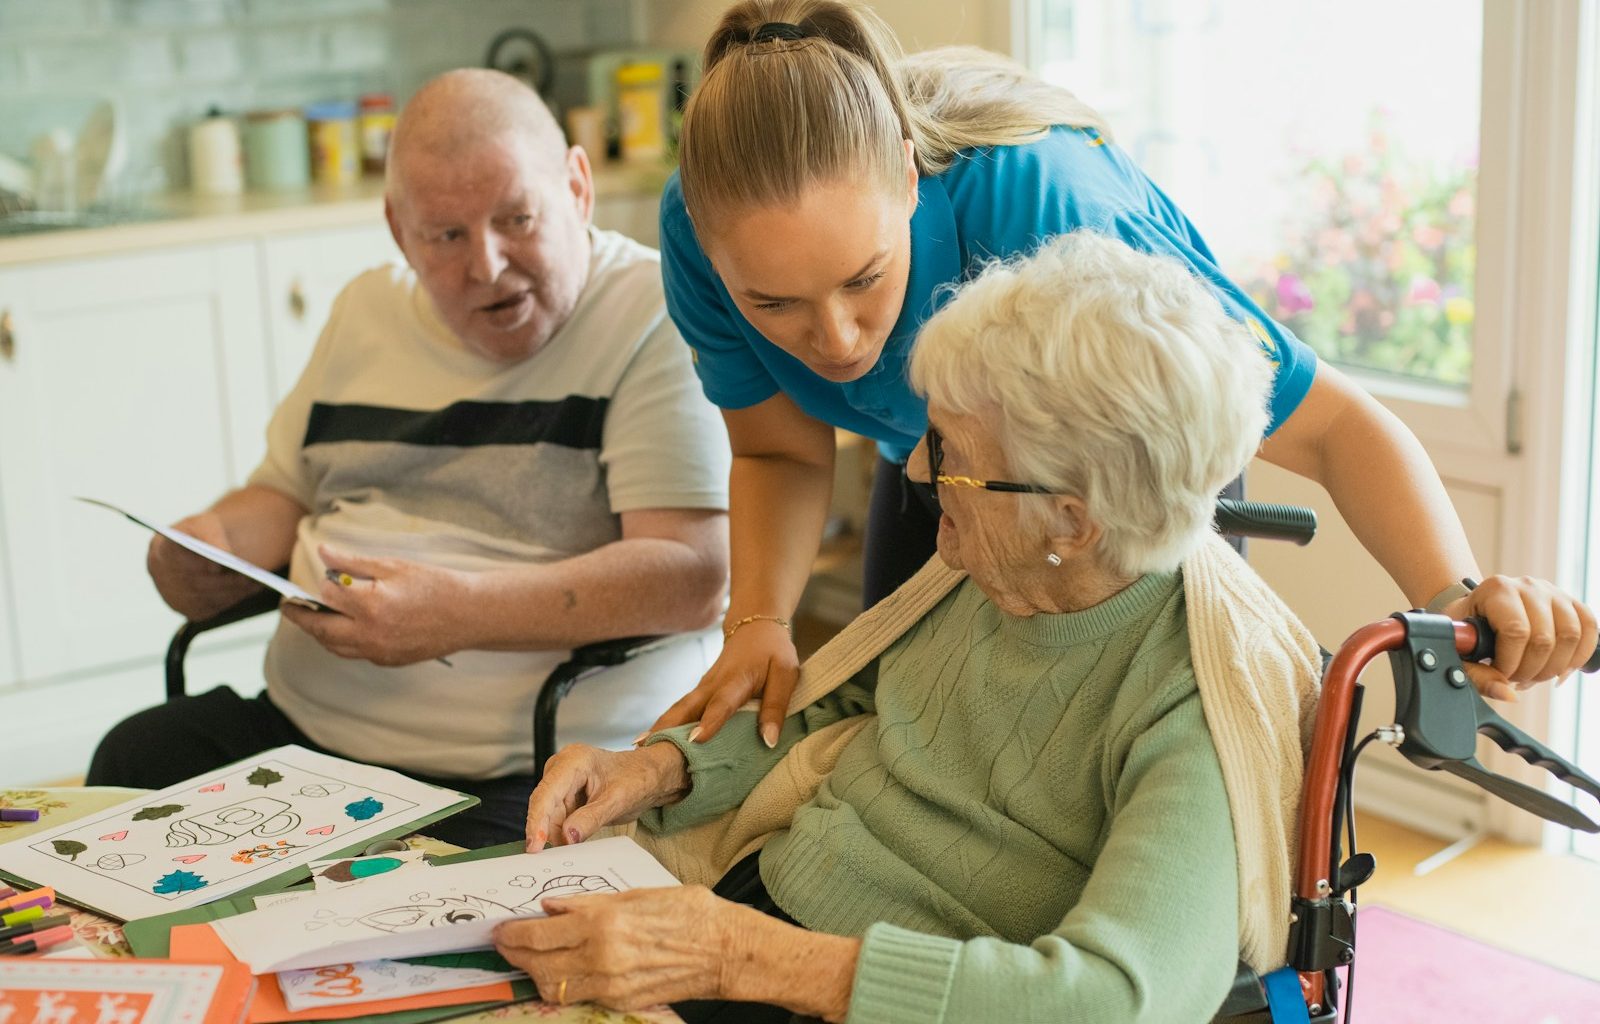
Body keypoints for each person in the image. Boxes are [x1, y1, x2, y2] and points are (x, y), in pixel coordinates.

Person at [648, 0, 1599, 749]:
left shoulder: (1059, 222)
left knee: (1144, 746)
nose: (838, 339)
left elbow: (1336, 427)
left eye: (865, 279)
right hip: (941, 456)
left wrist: (1452, 603)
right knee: (904, 720)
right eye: (774, 306)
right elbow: (778, 452)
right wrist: (759, 621)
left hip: (1136, 446)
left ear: (906, 178)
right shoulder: (699, 230)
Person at [493, 232, 1327, 1023]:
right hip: (755, 922)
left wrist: (739, 956)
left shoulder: (1199, 704)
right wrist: (664, 769)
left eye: (952, 450)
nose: (921, 472)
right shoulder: (1000, 572)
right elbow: (838, 712)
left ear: (1071, 522)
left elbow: (1115, 999)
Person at [87, 69, 732, 849]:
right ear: (400, 231)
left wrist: (455, 615)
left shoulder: (652, 311)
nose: (488, 265)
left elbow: (694, 575)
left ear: (578, 187)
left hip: (526, 768)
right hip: (303, 734)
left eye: (518, 218)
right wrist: (206, 547)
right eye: (447, 235)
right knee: (135, 759)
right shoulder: (366, 308)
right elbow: (282, 494)